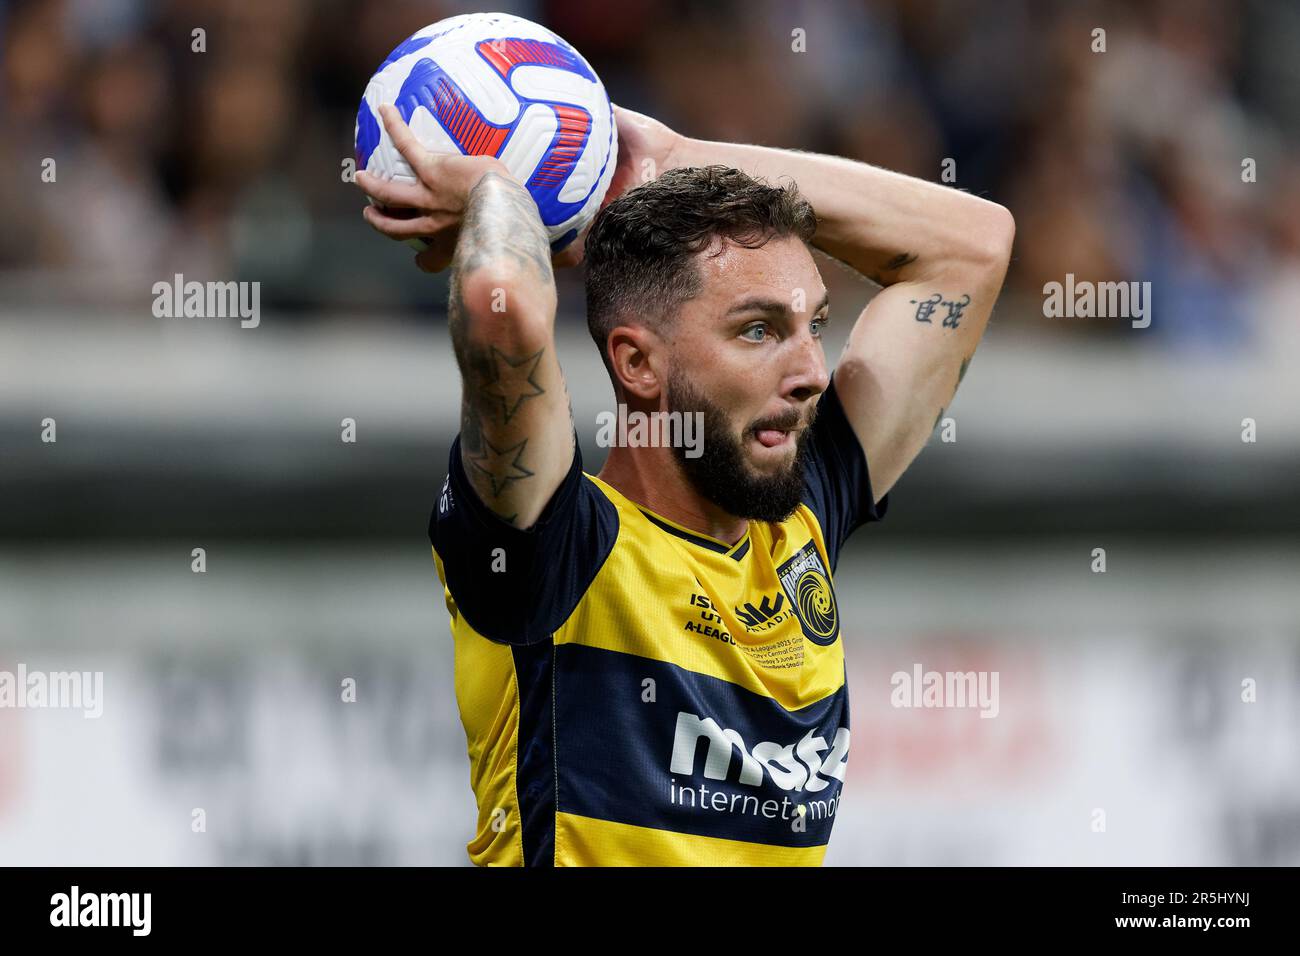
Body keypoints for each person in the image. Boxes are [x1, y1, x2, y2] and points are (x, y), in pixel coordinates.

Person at [357, 102, 1013, 866]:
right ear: (638, 364)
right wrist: (500, 186)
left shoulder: (798, 515)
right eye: (759, 330)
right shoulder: (553, 551)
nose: (810, 373)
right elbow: (498, 311)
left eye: (816, 326)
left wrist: (680, 155)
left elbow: (974, 245)